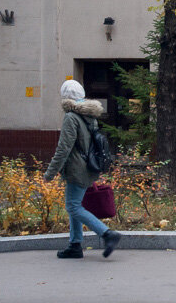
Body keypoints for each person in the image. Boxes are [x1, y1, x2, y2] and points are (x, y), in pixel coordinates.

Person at [42, 79, 122, 259]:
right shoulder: (89, 115)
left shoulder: (71, 117)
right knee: (74, 205)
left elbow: (64, 148)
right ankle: (75, 245)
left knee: (73, 206)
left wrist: (50, 172)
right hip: (88, 166)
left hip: (77, 169)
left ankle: (108, 234)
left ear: (65, 97)